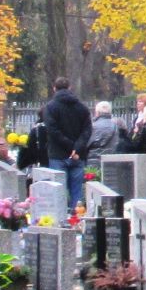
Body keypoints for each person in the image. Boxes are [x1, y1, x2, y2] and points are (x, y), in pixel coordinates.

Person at [41, 77, 93, 211]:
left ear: (54, 89)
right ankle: (77, 217)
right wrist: (76, 147)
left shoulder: (50, 107)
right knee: (77, 192)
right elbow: (87, 130)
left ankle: (61, 218)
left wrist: (70, 146)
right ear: (70, 88)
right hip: (78, 155)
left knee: (58, 191)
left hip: (58, 154)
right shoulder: (82, 107)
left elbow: (53, 131)